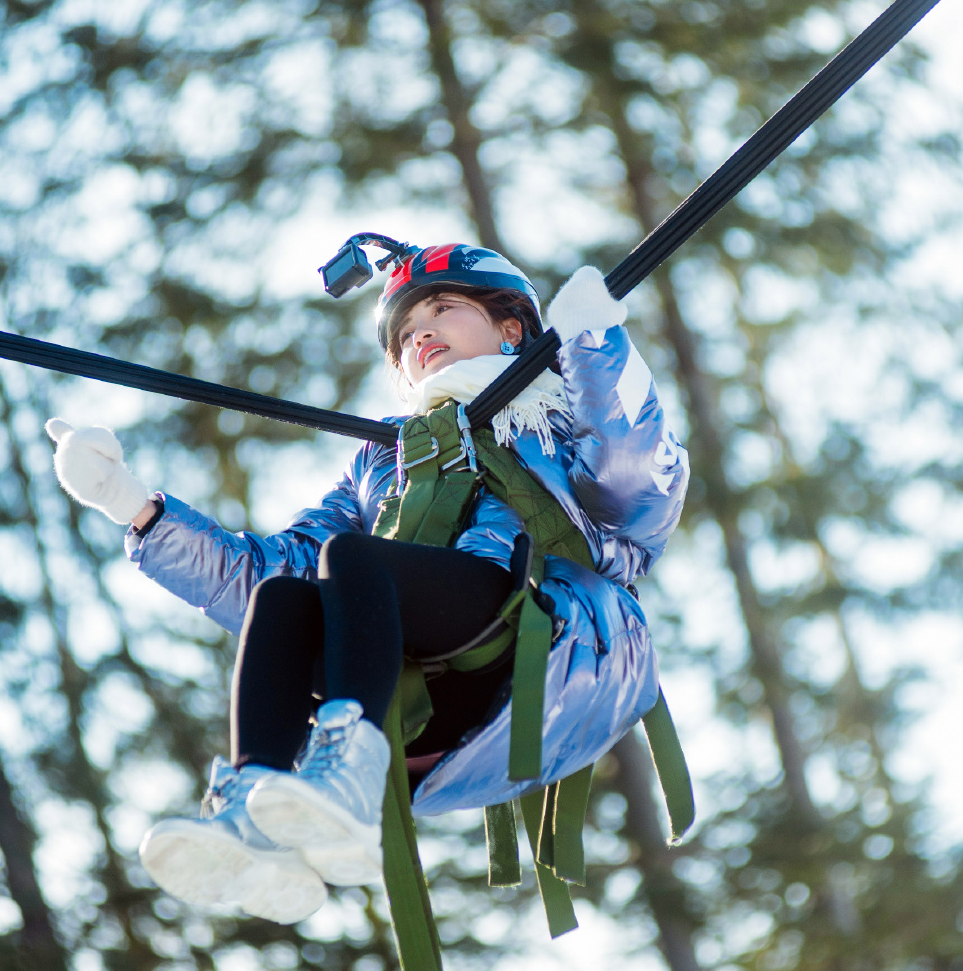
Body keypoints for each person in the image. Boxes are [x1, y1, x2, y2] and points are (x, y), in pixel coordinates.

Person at [46, 243, 688, 926]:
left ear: (512, 328)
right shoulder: (386, 461)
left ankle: (350, 768)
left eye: (443, 309)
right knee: (285, 599)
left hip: (549, 638)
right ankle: (258, 811)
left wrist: (595, 341)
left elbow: (636, 486)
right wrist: (138, 509)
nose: (422, 334)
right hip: (421, 675)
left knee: (356, 559)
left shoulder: (557, 412)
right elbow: (271, 567)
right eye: (407, 334)